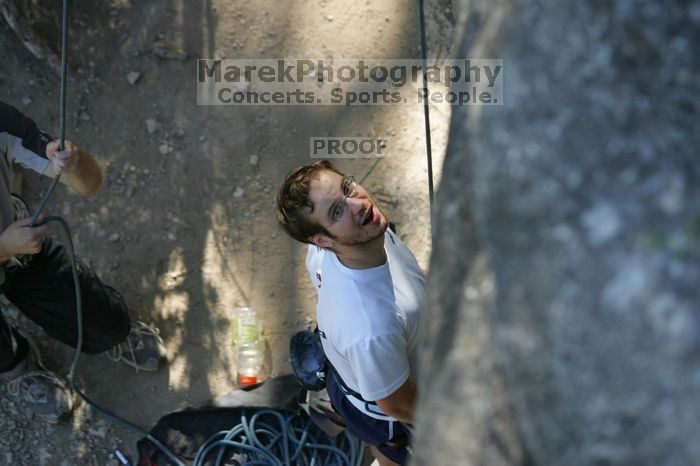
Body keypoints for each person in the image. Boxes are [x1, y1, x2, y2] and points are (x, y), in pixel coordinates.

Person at [0, 100, 166, 424]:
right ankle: (16, 364)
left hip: (18, 247)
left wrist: (72, 164)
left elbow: (90, 184)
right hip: (10, 243)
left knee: (105, 321)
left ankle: (117, 335)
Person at [277, 160, 425, 466]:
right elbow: (397, 404)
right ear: (322, 239)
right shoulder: (372, 328)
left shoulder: (351, 240)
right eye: (337, 212)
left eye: (347, 187)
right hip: (390, 410)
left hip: (362, 371)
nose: (359, 204)